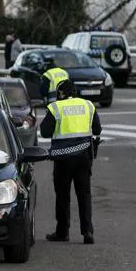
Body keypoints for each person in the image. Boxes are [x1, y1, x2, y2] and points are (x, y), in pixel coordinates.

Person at [40, 80, 102, 244]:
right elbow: (97, 130)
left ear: (61, 93)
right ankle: (87, 231)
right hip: (84, 158)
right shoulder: (88, 106)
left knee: (63, 195)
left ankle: (62, 232)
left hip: (63, 159)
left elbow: (45, 132)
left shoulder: (56, 108)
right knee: (84, 194)